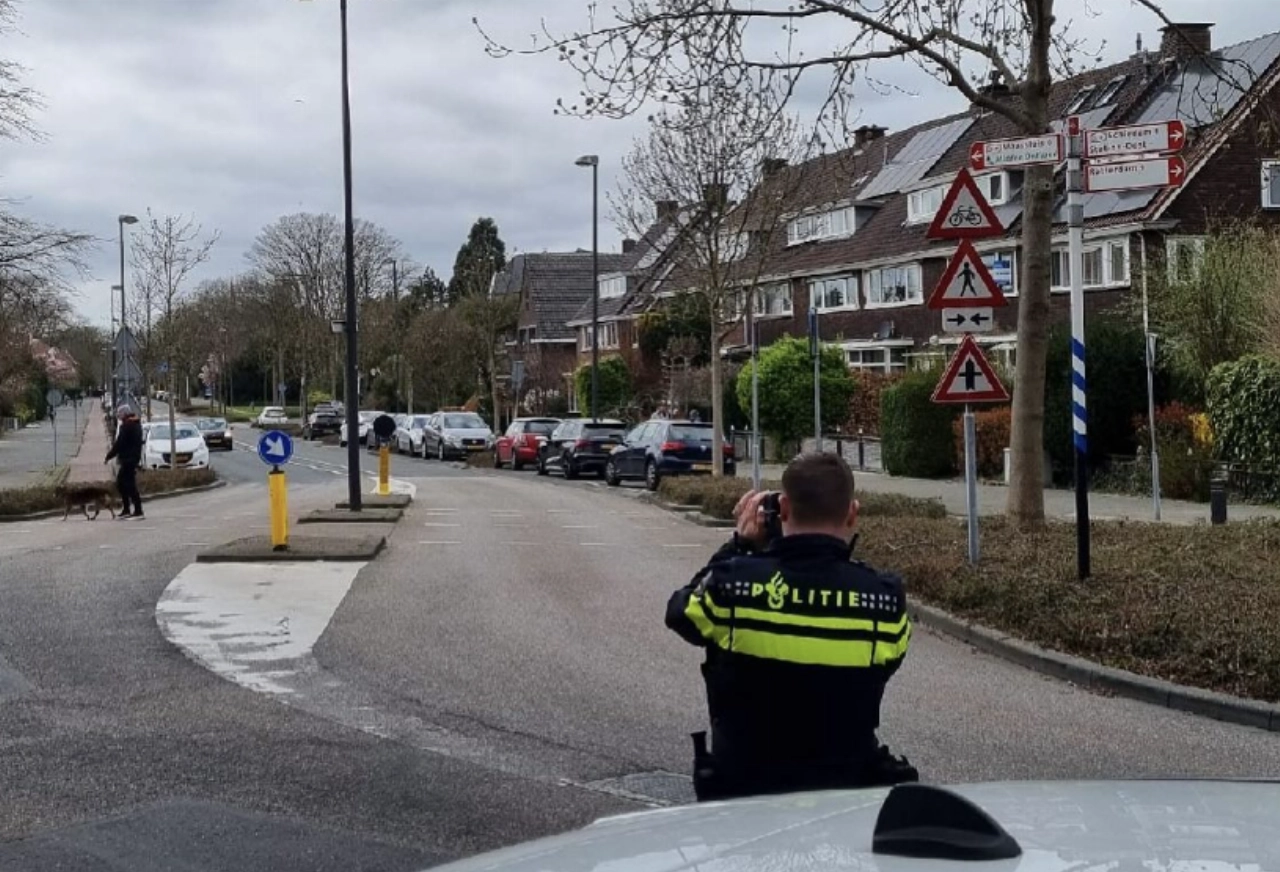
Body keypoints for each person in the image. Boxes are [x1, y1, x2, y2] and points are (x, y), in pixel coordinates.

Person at [666, 452, 916, 801]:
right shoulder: (883, 600)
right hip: (843, 796)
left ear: (782, 509)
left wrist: (738, 545)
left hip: (742, 792)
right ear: (852, 513)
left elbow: (679, 613)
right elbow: (886, 663)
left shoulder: (732, 585)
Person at [105, 404, 145, 520]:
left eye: (120, 414)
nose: (118, 416)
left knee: (126, 484)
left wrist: (109, 455)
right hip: (132, 458)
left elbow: (119, 443)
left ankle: (137, 511)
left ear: (124, 414)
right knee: (124, 483)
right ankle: (127, 509)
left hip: (129, 459)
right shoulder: (134, 424)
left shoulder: (128, 426)